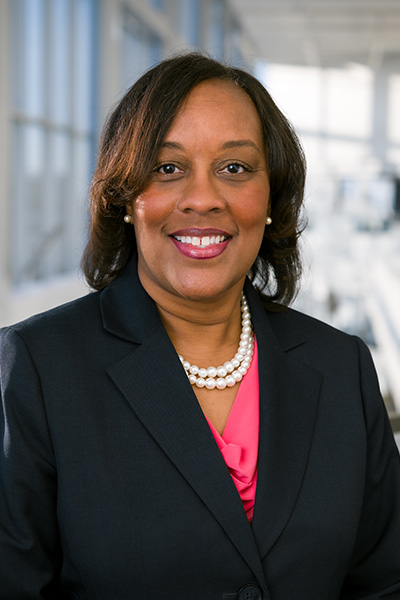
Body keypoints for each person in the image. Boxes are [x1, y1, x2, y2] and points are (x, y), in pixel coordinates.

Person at [0, 52, 399, 600]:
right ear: (126, 198)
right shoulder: (37, 368)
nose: (203, 198)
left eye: (234, 168)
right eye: (168, 168)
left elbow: (385, 583)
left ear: (270, 197)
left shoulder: (341, 366)